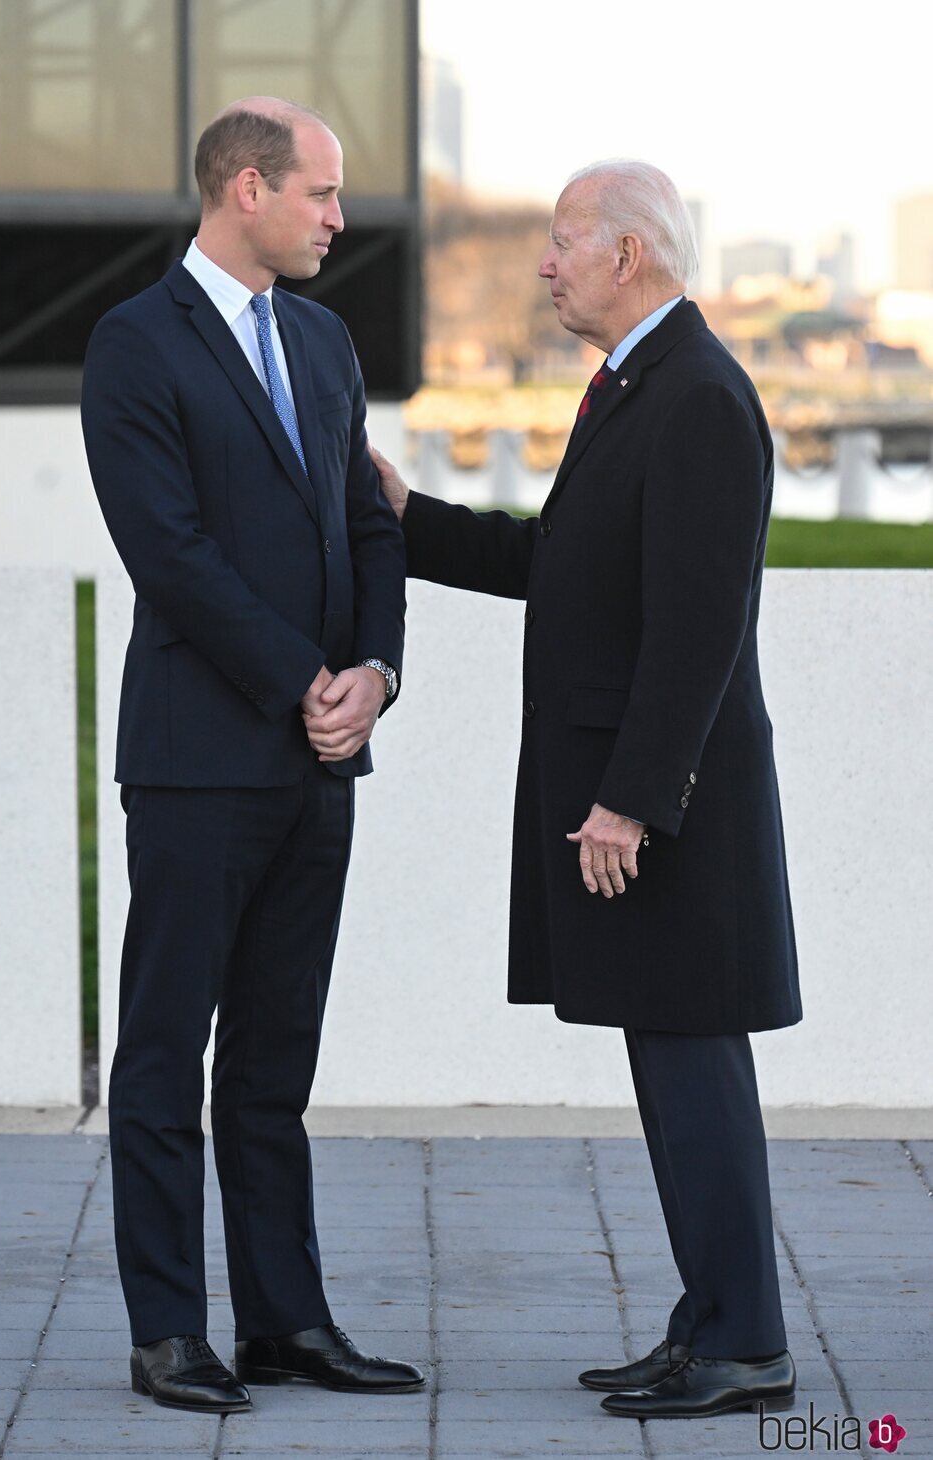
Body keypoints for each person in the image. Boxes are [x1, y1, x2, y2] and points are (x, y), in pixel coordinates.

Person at [370, 159, 801, 1421]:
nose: (544, 264)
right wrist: (410, 518)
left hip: (663, 813)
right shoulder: (634, 388)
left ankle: (748, 1345)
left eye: (562, 242)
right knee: (667, 1062)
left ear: (628, 255)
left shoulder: (698, 399)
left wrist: (631, 800)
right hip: (638, 801)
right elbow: (565, 565)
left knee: (691, 1062)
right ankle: (710, 1319)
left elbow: (695, 627)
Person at [81, 97, 422, 1414]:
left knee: (277, 1060)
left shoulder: (328, 341)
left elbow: (371, 529)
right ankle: (170, 1331)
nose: (340, 218)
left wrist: (376, 678)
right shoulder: (132, 345)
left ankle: (286, 1323)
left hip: (320, 758)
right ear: (244, 187)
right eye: (322, 193)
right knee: (168, 1054)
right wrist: (305, 682)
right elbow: (169, 554)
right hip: (197, 758)